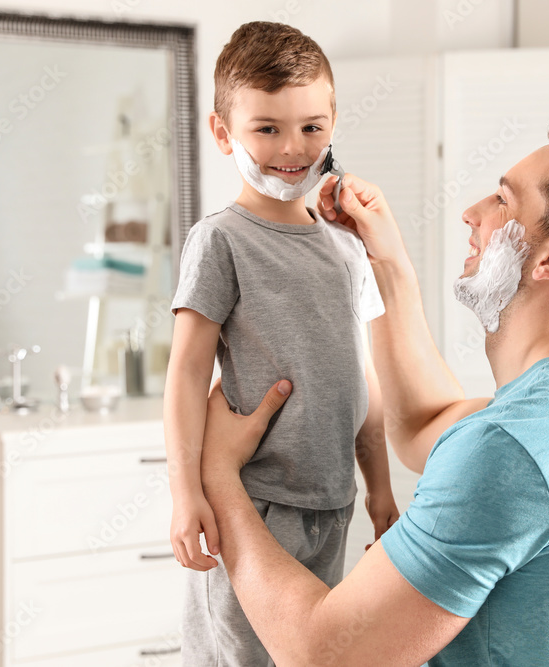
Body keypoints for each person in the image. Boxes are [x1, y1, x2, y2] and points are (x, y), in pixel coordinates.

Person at [197, 116, 549, 665]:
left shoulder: (510, 453)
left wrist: (219, 472)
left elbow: (321, 654)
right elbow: (423, 424)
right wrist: (387, 262)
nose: (471, 213)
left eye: (502, 201)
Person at [163, 21, 400, 666]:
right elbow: (186, 374)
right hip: (253, 505)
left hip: (334, 502)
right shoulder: (220, 240)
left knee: (311, 655)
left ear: (333, 123)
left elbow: (361, 377)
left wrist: (379, 487)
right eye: (266, 129)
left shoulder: (347, 245)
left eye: (311, 126)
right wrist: (186, 493)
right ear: (223, 133)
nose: (292, 148)